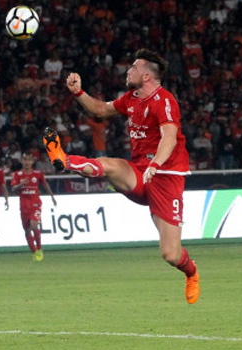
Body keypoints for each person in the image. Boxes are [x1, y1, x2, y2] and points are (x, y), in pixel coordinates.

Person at [43, 48, 200, 304]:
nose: (128, 71)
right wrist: (78, 93)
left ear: (147, 75)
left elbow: (169, 138)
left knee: (170, 254)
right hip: (139, 173)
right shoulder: (131, 98)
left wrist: (156, 164)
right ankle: (63, 159)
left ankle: (191, 272)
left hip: (165, 177)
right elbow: (100, 110)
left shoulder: (165, 101)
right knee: (110, 165)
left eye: (134, 67)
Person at [10, 152, 57, 261]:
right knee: (27, 230)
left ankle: (39, 249)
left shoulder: (38, 173)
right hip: (23, 205)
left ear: (32, 161)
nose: (27, 162)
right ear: (22, 161)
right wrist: (21, 184)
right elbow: (13, 189)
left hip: (35, 203)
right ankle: (34, 251)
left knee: (34, 225)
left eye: (29, 160)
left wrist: (52, 196)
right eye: (25, 160)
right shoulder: (17, 174)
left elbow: (45, 184)